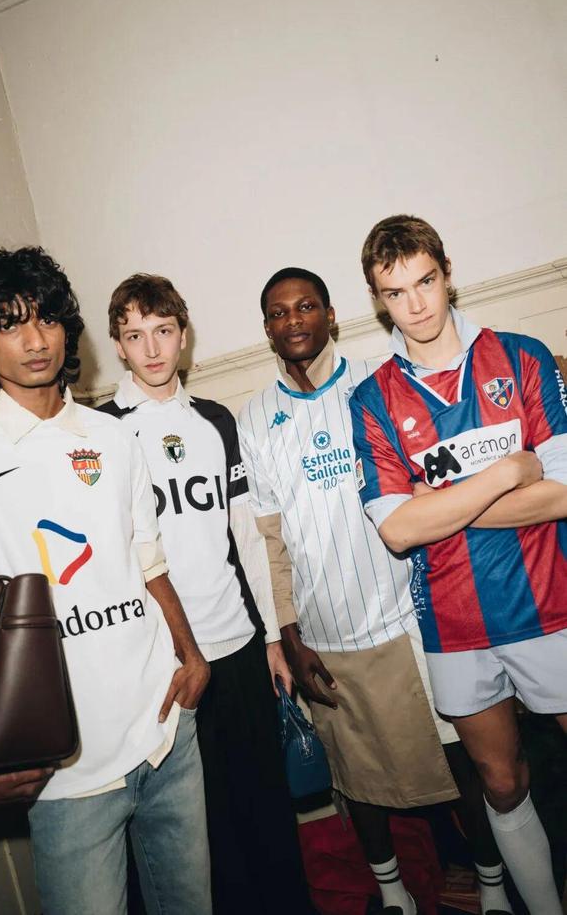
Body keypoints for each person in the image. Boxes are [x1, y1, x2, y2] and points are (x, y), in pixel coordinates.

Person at [0, 247, 212, 915]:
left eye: (46, 318)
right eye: (10, 323)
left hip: (165, 735)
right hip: (62, 775)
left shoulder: (112, 437)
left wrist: (191, 657)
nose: (35, 339)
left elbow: (148, 560)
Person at [237, 267, 512, 915]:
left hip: (408, 617)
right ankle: (393, 894)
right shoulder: (256, 418)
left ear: (331, 315)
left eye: (306, 306)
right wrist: (288, 633)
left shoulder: (378, 383)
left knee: (460, 764)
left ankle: (493, 886)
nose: (293, 320)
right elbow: (270, 541)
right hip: (325, 633)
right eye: (278, 312)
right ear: (268, 328)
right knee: (356, 778)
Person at [349, 214, 567, 915]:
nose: (415, 305)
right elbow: (398, 531)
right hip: (454, 623)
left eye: (425, 282)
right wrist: (507, 473)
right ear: (377, 299)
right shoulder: (372, 398)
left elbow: (563, 493)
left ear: (447, 272)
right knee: (500, 783)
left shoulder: (523, 357)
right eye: (395, 292)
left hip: (551, 603)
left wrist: (438, 502)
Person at [97, 273, 313, 915]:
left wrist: (270, 637)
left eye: (163, 331)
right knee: (198, 829)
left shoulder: (215, 420)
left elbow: (245, 535)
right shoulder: (102, 432)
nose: (152, 348)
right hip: (163, 661)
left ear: (183, 336)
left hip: (238, 645)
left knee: (264, 806)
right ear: (118, 345)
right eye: (135, 335)